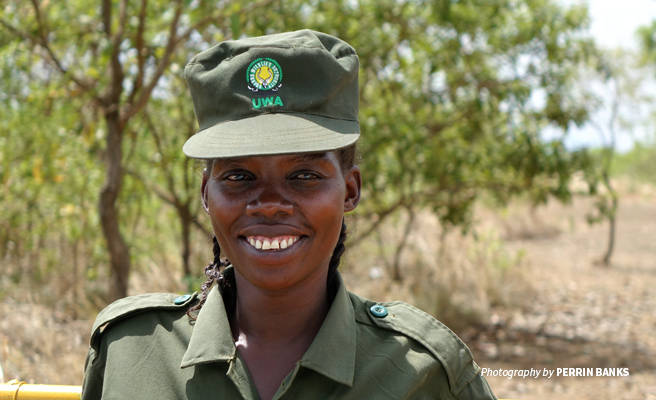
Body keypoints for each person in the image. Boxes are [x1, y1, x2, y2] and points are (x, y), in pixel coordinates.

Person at [81, 29, 497, 400]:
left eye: (304, 175)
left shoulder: (423, 373)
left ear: (350, 190)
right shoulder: (130, 351)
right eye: (240, 176)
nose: (270, 202)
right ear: (206, 193)